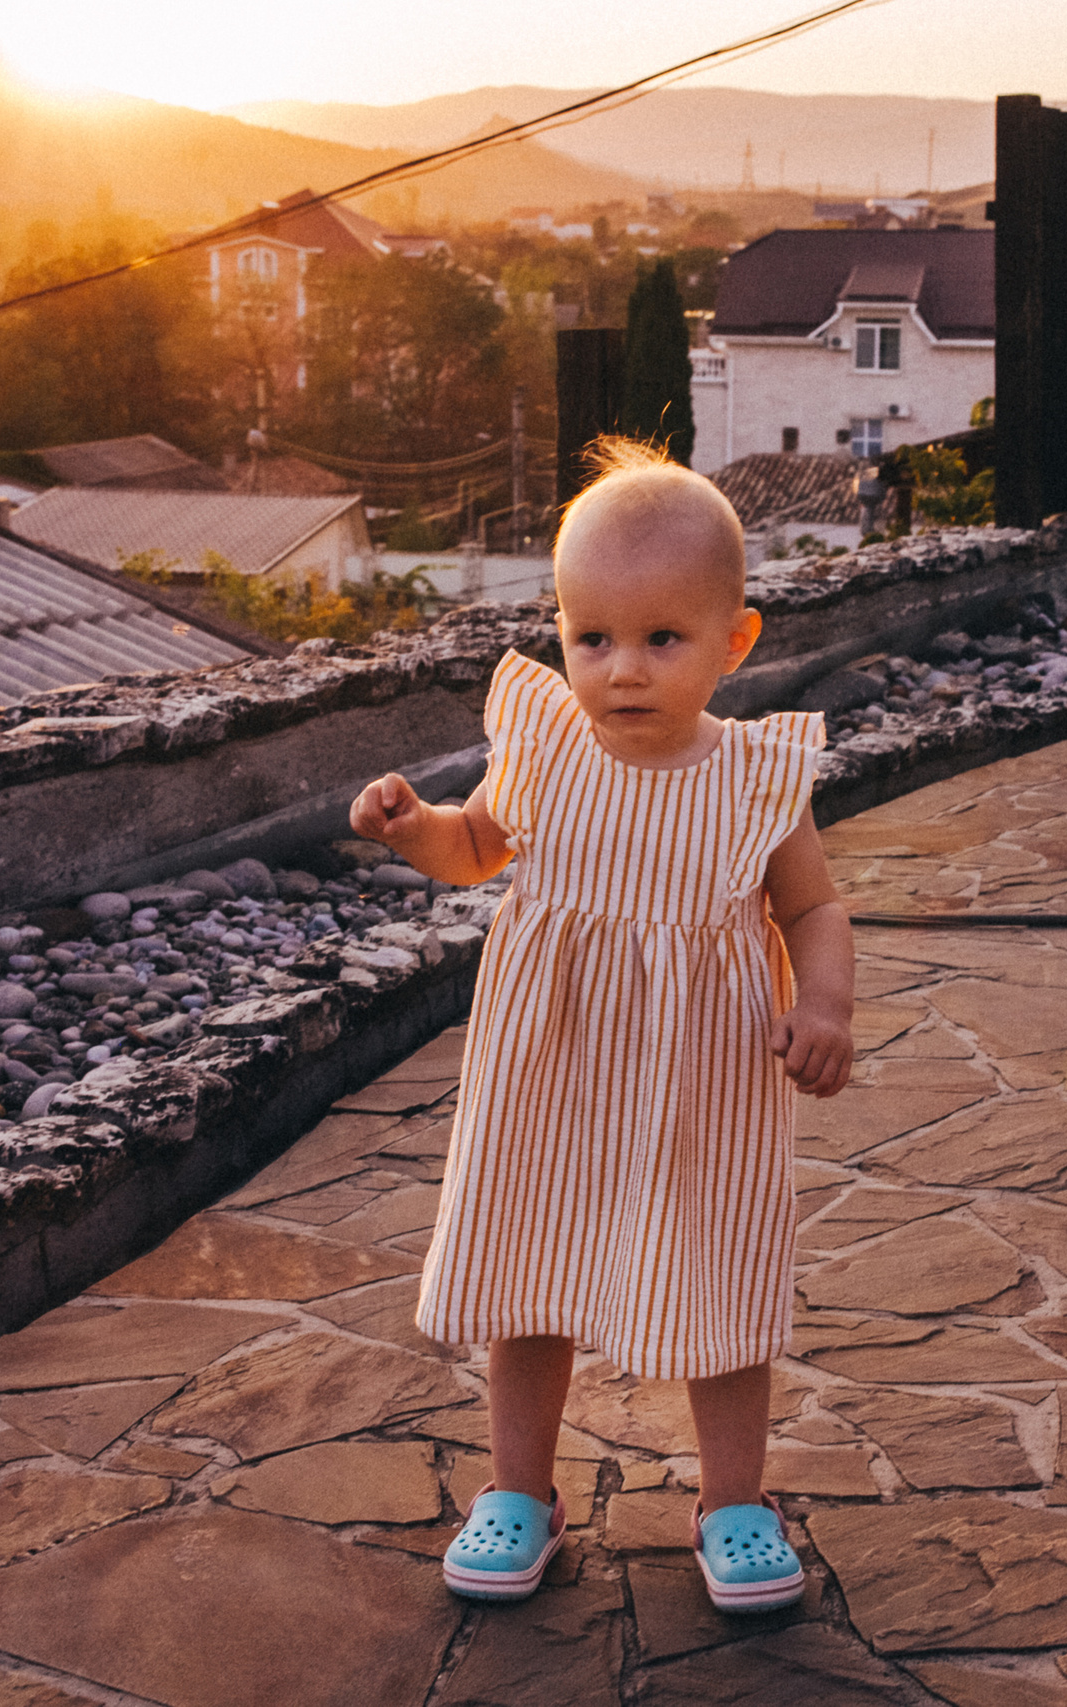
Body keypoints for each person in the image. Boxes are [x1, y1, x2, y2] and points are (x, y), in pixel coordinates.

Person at [348, 438, 854, 1613]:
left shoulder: (756, 781)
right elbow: (475, 849)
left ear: (734, 642)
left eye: (663, 639)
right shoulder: (545, 748)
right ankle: (518, 1489)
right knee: (531, 1269)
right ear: (562, 629)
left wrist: (821, 1001)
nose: (622, 670)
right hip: (553, 1071)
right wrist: (414, 824)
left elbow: (813, 906)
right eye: (593, 638)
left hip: (703, 1082)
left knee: (718, 1282)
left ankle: (733, 1500)